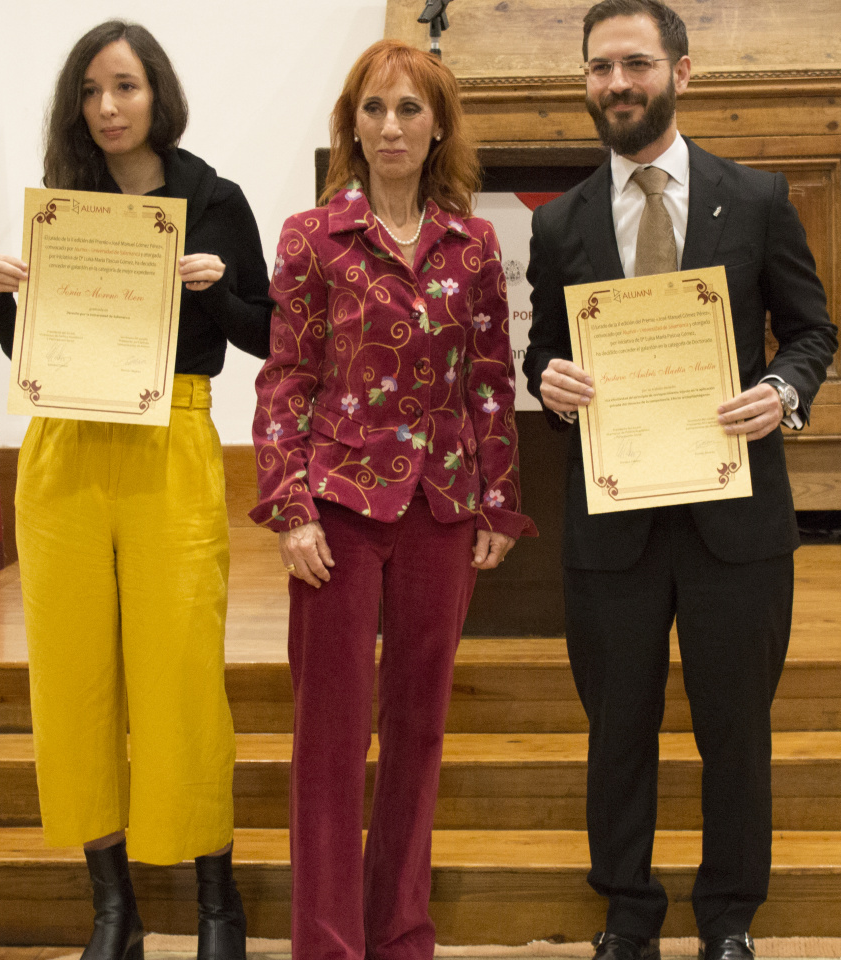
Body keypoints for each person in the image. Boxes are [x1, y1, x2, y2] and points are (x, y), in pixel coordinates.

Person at [521, 3, 839, 960]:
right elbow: (543, 345)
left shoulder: (757, 199)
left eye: (636, 65)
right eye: (599, 68)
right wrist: (548, 380)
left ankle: (730, 917)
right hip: (613, 518)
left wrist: (782, 389)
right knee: (618, 728)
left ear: (682, 72)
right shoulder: (562, 222)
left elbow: (814, 332)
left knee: (734, 728)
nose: (617, 84)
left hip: (735, 517)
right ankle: (626, 913)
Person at [0, 19, 274, 960]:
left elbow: (267, 334)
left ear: (158, 95)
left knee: (181, 675)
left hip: (171, 440)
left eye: (126, 88)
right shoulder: (67, 206)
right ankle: (113, 907)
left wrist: (215, 289)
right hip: (63, 445)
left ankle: (217, 901)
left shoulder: (212, 197)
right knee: (72, 677)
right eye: (93, 92)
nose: (108, 108)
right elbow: (45, 356)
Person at [250, 38, 533, 960]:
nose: (391, 126)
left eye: (410, 108)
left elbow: (490, 379)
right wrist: (290, 507)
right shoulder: (309, 237)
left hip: (442, 511)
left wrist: (500, 502)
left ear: (438, 124)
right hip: (334, 510)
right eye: (373, 109)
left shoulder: (475, 244)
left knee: (419, 733)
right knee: (327, 746)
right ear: (352, 126)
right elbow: (284, 382)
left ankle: (402, 934)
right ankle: (328, 945)